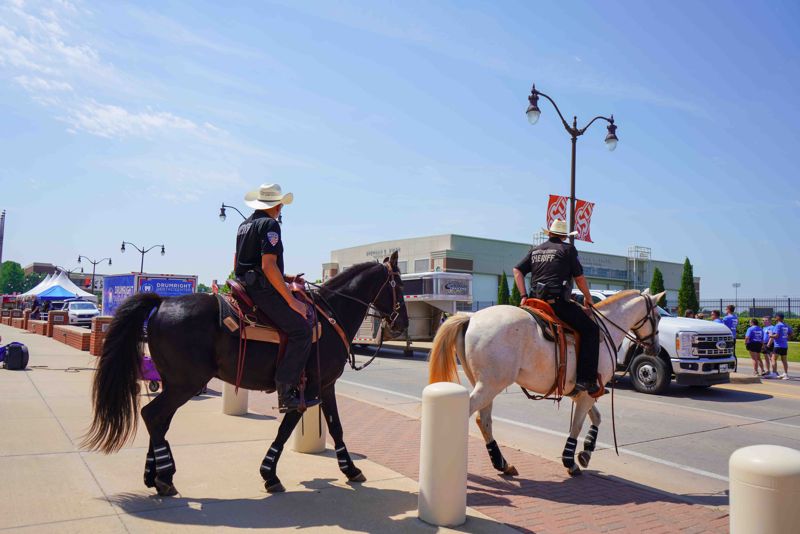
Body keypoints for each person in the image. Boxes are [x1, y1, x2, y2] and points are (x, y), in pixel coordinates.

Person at [234, 183, 317, 412]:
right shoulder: (270, 224)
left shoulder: (244, 224)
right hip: (260, 289)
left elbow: (243, 261)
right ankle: (285, 392)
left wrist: (287, 276)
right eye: (280, 204)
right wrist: (293, 301)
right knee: (301, 331)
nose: (281, 208)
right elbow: (268, 265)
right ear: (277, 205)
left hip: (244, 284)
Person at [513, 219, 600, 395]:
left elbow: (517, 270)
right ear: (562, 236)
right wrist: (588, 298)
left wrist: (523, 296)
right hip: (557, 303)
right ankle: (586, 380)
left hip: (535, 302)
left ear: (550, 233)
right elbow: (580, 277)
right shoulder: (567, 249)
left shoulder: (535, 250)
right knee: (591, 330)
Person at [769, 313, 793, 380]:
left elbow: (776, 336)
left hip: (778, 345)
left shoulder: (778, 325)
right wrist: (787, 338)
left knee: (773, 358)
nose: (775, 318)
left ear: (778, 317)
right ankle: (785, 374)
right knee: (784, 360)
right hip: (784, 345)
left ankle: (774, 373)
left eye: (775, 317)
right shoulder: (786, 325)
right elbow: (791, 333)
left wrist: (770, 335)